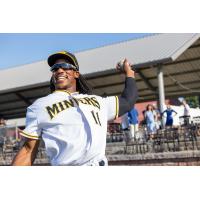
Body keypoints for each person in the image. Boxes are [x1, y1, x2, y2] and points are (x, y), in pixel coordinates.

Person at [12, 51, 138, 166]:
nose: (59, 70)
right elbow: (28, 150)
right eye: (55, 68)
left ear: (76, 73)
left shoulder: (97, 101)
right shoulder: (39, 106)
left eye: (65, 66)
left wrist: (129, 73)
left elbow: (128, 101)